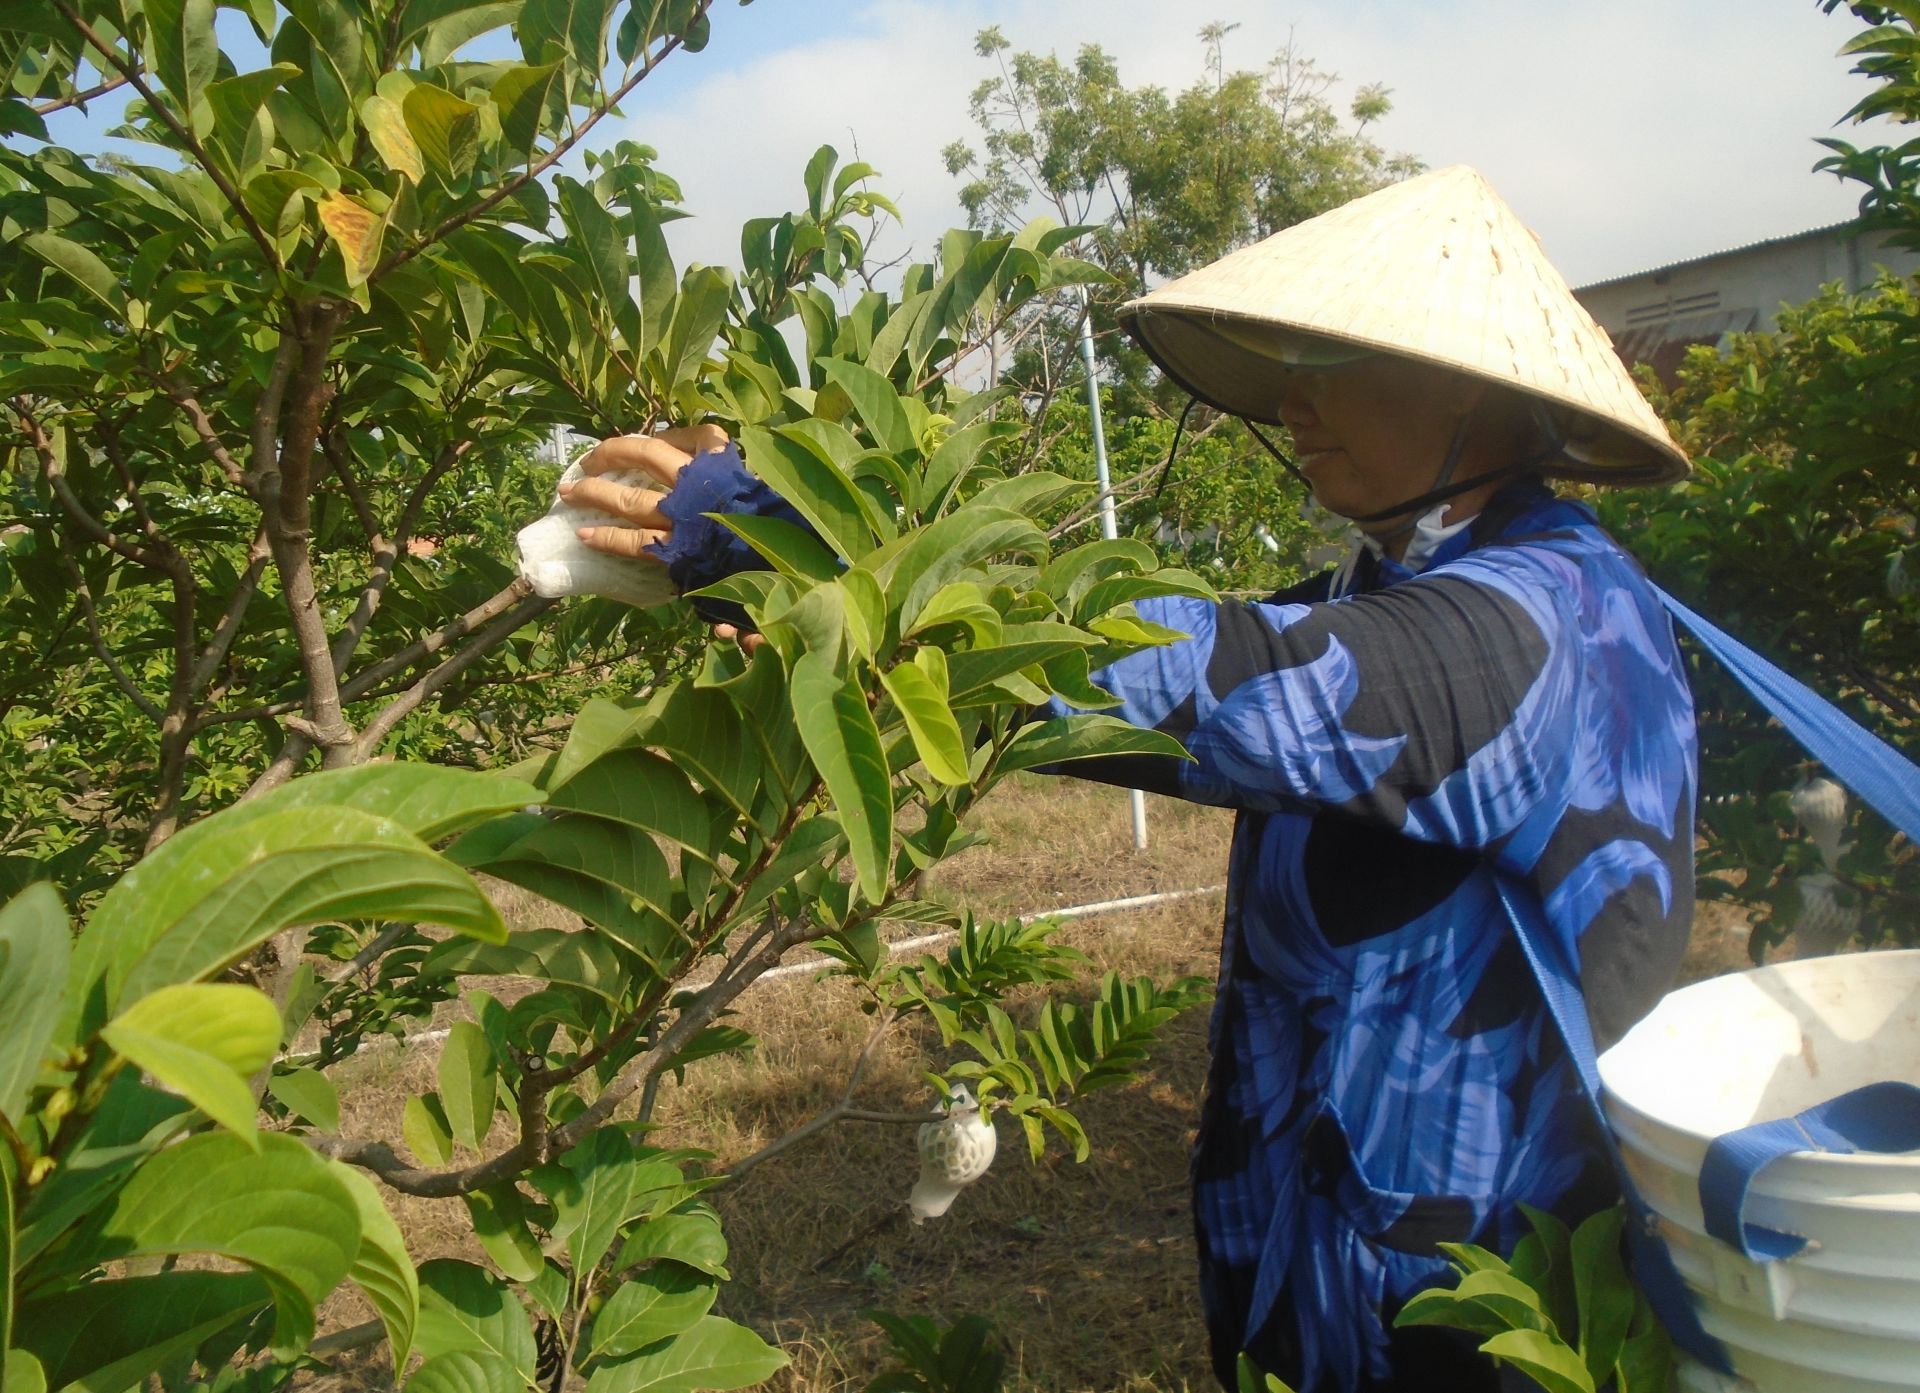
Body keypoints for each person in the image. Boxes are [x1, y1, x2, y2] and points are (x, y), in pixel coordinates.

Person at [555, 167, 1698, 1393]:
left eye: (1333, 364)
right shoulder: (1417, 583)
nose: (1294, 404)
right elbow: (1145, 653)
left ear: (1470, 387)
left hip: (1463, 1317)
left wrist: (783, 532)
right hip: (1336, 1262)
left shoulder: (1536, 624)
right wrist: (821, 617)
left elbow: (1220, 680)